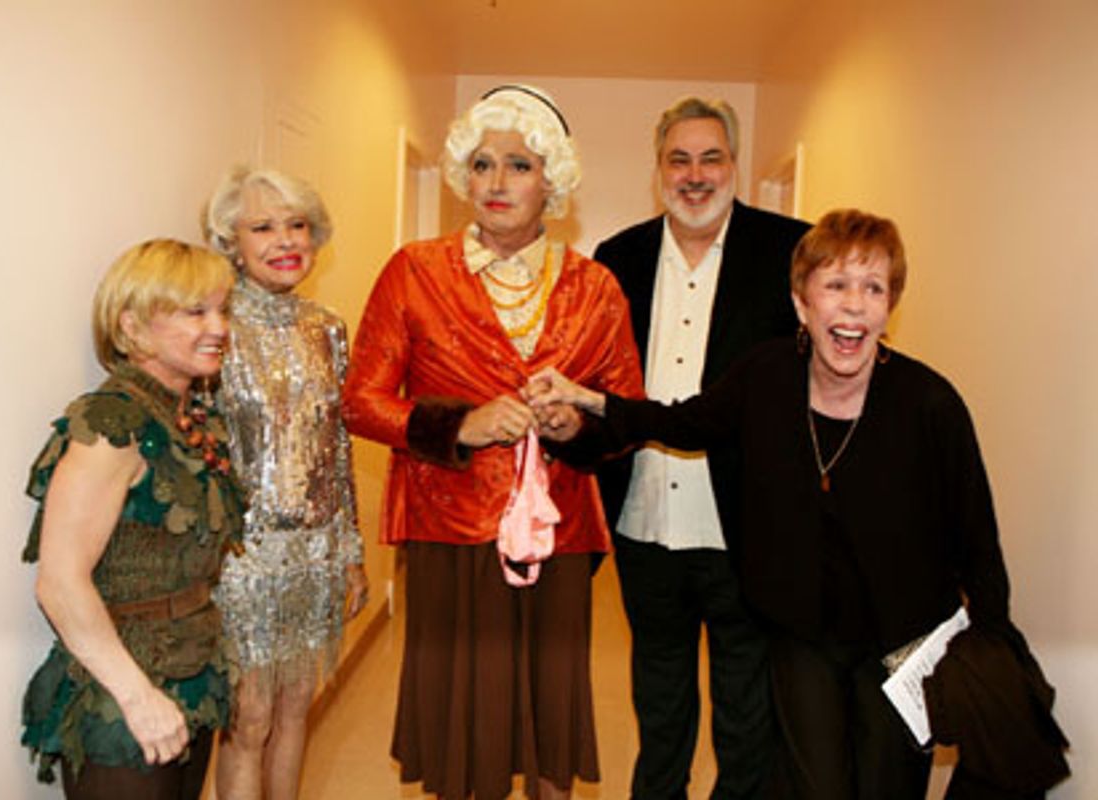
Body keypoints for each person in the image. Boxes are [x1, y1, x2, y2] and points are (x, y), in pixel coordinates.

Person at [528, 209, 1017, 800]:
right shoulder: (765, 376)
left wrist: (991, 647)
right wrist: (585, 398)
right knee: (816, 787)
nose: (854, 306)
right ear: (801, 302)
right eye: (835, 285)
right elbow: (680, 422)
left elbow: (976, 539)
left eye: (873, 288)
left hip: (901, 646)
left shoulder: (929, 404)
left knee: (886, 787)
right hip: (801, 637)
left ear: (891, 306)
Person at [342, 85, 643, 800]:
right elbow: (361, 402)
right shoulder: (413, 270)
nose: (497, 183)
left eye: (519, 165)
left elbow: (625, 411)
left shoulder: (596, 287)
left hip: (557, 530)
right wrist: (459, 425)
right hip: (448, 527)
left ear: (553, 181)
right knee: (462, 716)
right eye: (481, 165)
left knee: (549, 705)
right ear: (461, 177)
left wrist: (576, 427)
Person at [591, 96, 809, 800]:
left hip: (744, 524)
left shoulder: (789, 252)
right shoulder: (616, 258)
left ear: (733, 165)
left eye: (710, 157)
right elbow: (599, 384)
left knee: (746, 710)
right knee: (660, 698)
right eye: (678, 159)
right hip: (643, 521)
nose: (695, 174)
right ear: (658, 170)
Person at [20, 239, 242, 799]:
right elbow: (60, 582)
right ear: (133, 326)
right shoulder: (112, 423)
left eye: (223, 309)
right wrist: (138, 698)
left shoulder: (183, 416)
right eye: (195, 311)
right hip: (126, 692)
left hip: (191, 670)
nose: (218, 326)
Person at [203, 167, 368, 800]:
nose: (284, 240)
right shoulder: (215, 328)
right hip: (241, 563)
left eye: (296, 224)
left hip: (318, 555)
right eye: (262, 226)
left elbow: (339, 443)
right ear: (231, 243)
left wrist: (351, 554)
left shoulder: (326, 328)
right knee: (249, 719)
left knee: (298, 708)